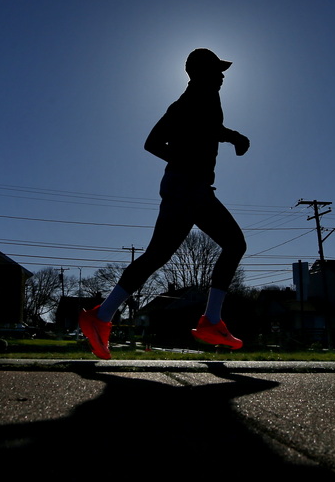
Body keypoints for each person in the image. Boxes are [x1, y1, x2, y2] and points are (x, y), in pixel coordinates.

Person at [79, 48, 250, 360]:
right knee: (165, 253)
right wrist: (231, 138)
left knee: (228, 245)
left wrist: (216, 144)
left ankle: (210, 321)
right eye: (217, 70)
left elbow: (180, 136)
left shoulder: (197, 101)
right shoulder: (194, 99)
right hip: (186, 187)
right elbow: (162, 140)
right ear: (200, 73)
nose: (223, 76)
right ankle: (101, 317)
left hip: (194, 188)